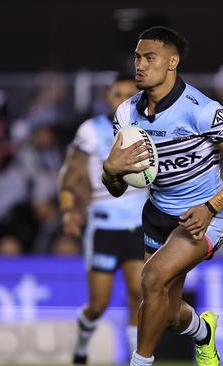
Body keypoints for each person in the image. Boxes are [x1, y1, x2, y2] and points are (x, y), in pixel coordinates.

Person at [101, 26, 223, 366]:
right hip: (158, 215)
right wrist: (110, 170)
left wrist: (211, 206)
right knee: (168, 310)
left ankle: (139, 363)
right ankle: (203, 333)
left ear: (172, 62)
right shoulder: (125, 115)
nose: (140, 65)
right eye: (137, 58)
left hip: (202, 218)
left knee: (151, 278)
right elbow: (117, 189)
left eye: (150, 58)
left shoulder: (201, 110)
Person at [59, 74, 147, 365]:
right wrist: (69, 209)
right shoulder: (92, 131)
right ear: (108, 98)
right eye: (116, 93)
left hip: (139, 222)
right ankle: (82, 344)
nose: (122, 98)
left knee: (139, 294)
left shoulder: (152, 128)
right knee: (99, 304)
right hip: (104, 224)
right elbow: (71, 173)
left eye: (129, 93)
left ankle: (134, 359)